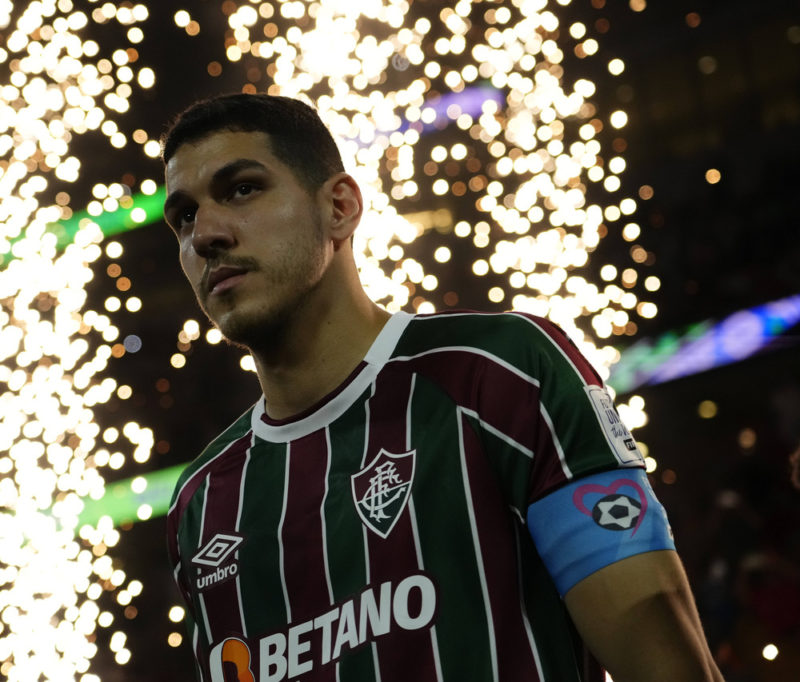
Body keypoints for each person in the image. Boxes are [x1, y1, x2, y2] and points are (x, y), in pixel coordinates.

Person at [161, 93, 723, 682]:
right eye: (184, 217)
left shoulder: (501, 371)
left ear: (340, 208)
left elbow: (656, 639)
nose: (205, 235)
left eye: (243, 189)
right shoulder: (202, 503)